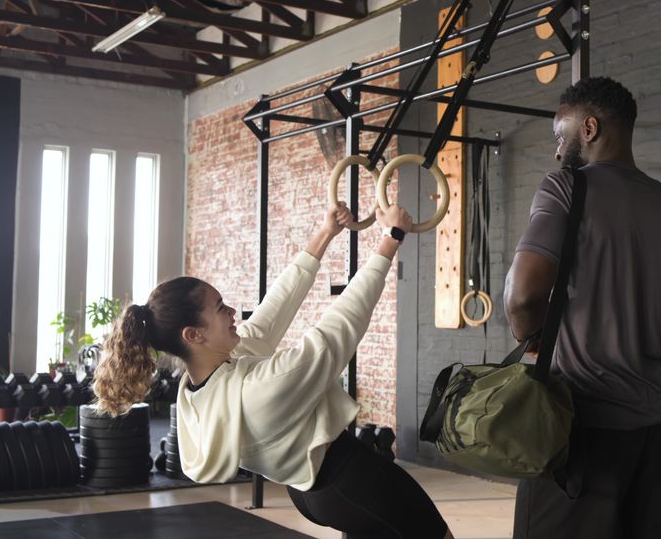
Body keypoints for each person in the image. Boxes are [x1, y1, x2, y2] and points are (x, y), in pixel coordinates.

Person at [93, 202, 453, 539]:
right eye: (220, 307)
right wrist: (392, 238)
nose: (232, 311)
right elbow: (339, 327)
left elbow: (275, 306)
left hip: (309, 489)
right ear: (194, 334)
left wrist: (326, 232)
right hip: (349, 480)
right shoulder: (256, 389)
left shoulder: (209, 382)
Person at [504, 77, 661, 538]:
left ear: (589, 128)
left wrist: (533, 339)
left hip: (582, 429)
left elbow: (522, 296)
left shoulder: (565, 188)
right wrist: (646, 355)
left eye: (560, 135)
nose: (557, 151)